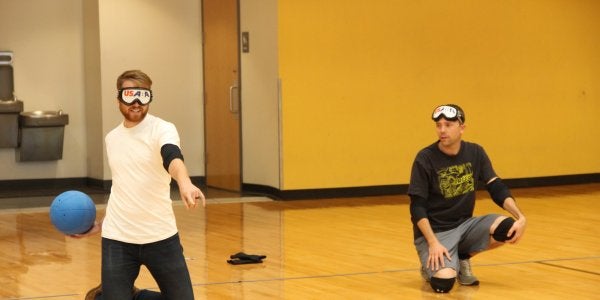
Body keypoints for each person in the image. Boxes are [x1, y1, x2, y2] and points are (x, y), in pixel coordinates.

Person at [77, 70, 206, 299]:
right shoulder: (112, 138)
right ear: (119, 99)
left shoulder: (162, 129)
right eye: (130, 96)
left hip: (161, 237)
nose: (136, 103)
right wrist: (102, 225)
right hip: (118, 239)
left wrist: (184, 182)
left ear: (149, 98)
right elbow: (125, 188)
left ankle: (134, 296)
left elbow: (172, 157)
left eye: (143, 96)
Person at [408, 104, 526, 293]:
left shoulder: (476, 152)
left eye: (448, 124)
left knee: (508, 228)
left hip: (465, 226)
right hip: (436, 233)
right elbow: (417, 207)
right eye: (438, 125)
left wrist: (520, 217)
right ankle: (431, 268)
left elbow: (495, 186)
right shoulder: (425, 158)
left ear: (462, 128)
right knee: (443, 284)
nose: (442, 130)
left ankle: (462, 256)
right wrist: (433, 243)